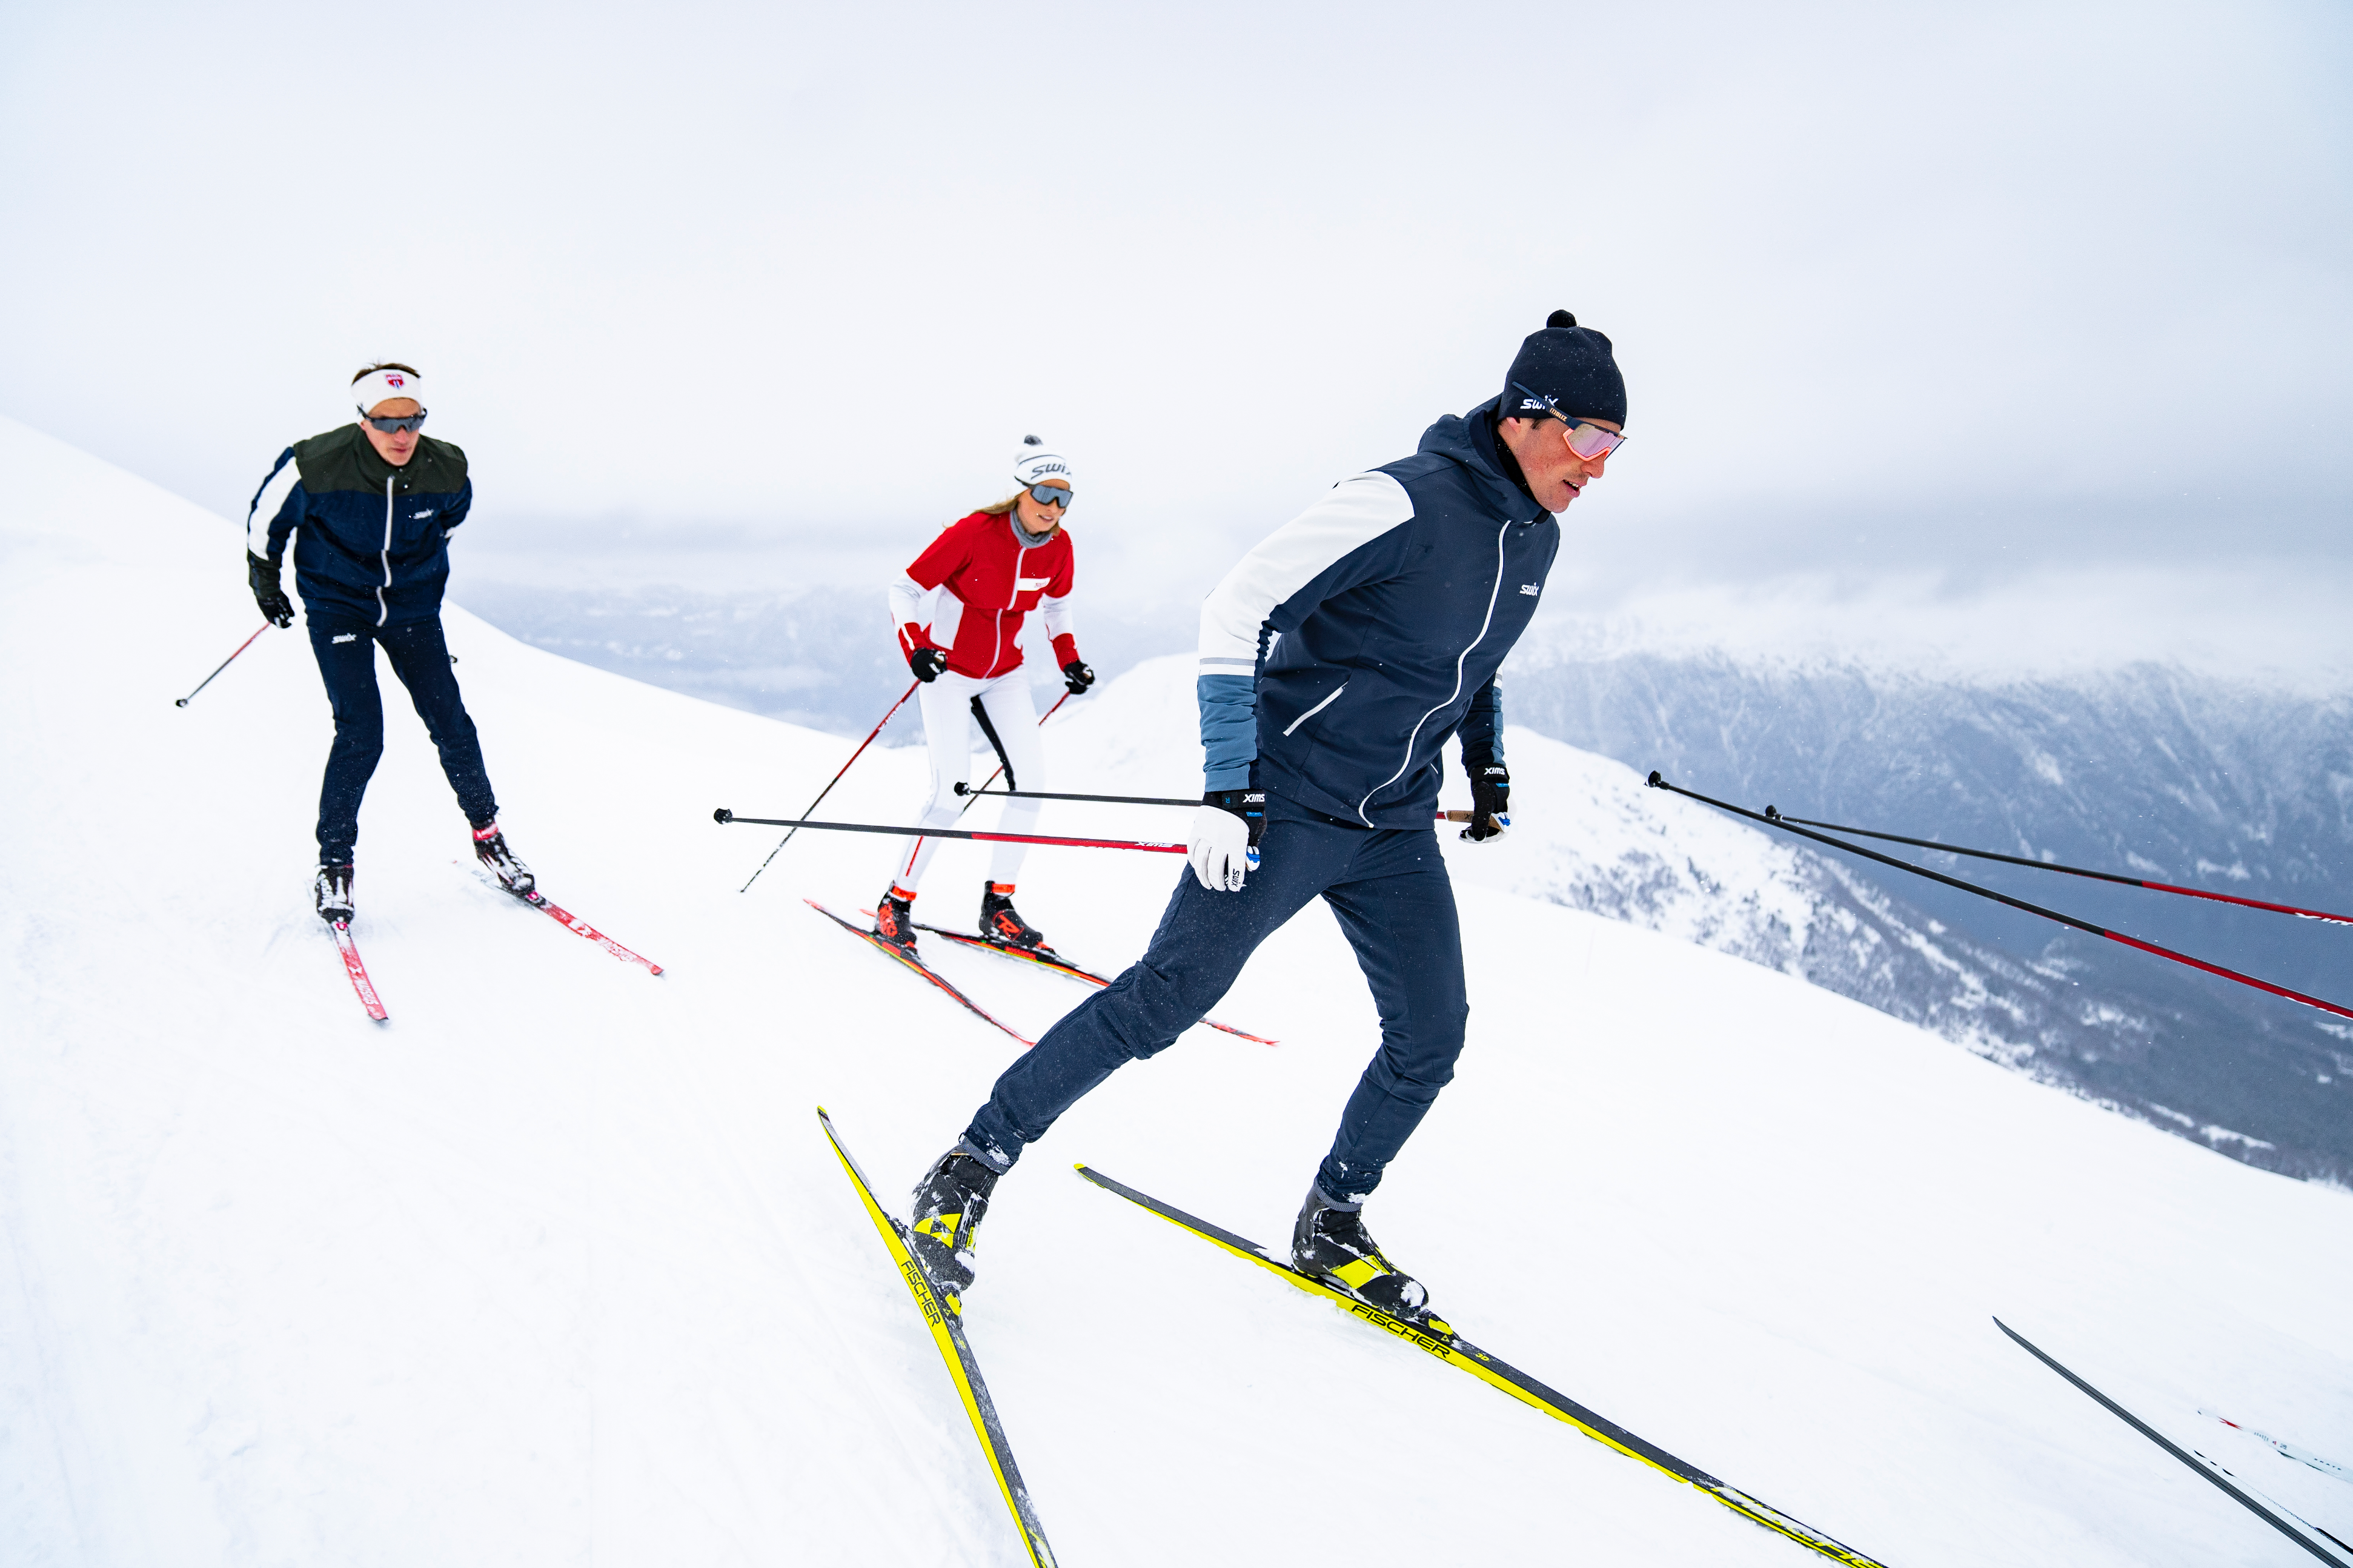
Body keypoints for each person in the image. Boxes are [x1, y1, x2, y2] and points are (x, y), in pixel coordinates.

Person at [903, 313, 1627, 1325]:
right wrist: (1229, 787)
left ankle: (1332, 1216)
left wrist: (1484, 767)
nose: (1598, 468)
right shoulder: (1398, 500)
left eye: (1614, 448)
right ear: (1525, 416)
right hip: (1281, 803)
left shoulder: (1532, 540)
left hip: (1391, 825)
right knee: (1162, 1000)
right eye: (1589, 438)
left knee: (1431, 1034)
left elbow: (1472, 667)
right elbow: (1236, 606)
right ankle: (968, 1163)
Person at [244, 363, 532, 923]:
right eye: (387, 423)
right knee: (362, 732)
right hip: (337, 605)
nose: (402, 436)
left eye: (413, 421)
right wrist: (266, 582)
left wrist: (413, 572)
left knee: (451, 722)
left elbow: (450, 520)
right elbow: (265, 523)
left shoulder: (446, 466)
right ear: (363, 419)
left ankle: (489, 836)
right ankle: (335, 865)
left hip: (412, 608)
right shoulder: (313, 463)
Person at [872, 436, 1095, 954]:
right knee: (952, 790)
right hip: (948, 671)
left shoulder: (1059, 548)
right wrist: (917, 648)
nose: (1054, 509)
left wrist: (1070, 660)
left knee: (1033, 787)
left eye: (1065, 498)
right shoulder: (975, 532)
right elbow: (903, 589)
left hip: (1006, 675)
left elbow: (1057, 610)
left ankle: (999, 907)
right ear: (1021, 491)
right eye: (1045, 494)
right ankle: (896, 903)